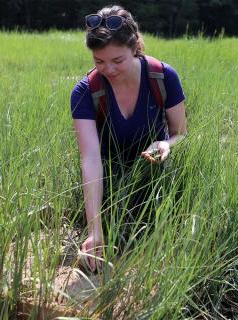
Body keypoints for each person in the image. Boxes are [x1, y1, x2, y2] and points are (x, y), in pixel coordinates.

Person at [70, 5, 187, 272]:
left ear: (134, 47)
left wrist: (165, 144)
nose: (108, 69)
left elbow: (181, 133)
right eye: (99, 61)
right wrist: (94, 230)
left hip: (156, 177)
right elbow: (89, 158)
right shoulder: (85, 92)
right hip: (109, 178)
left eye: (117, 60)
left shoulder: (163, 76)